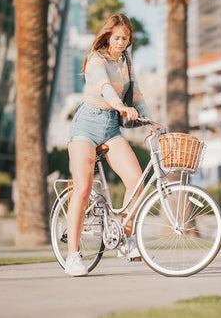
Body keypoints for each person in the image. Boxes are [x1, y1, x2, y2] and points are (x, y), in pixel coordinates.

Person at [65, 14, 150, 276]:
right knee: (83, 189)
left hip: (111, 128)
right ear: (107, 36)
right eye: (117, 38)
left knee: (137, 182)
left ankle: (124, 237)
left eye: (125, 38)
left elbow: (136, 94)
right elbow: (105, 89)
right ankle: (72, 256)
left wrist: (150, 120)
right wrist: (121, 106)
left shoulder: (125, 61)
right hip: (85, 126)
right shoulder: (95, 59)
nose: (121, 42)